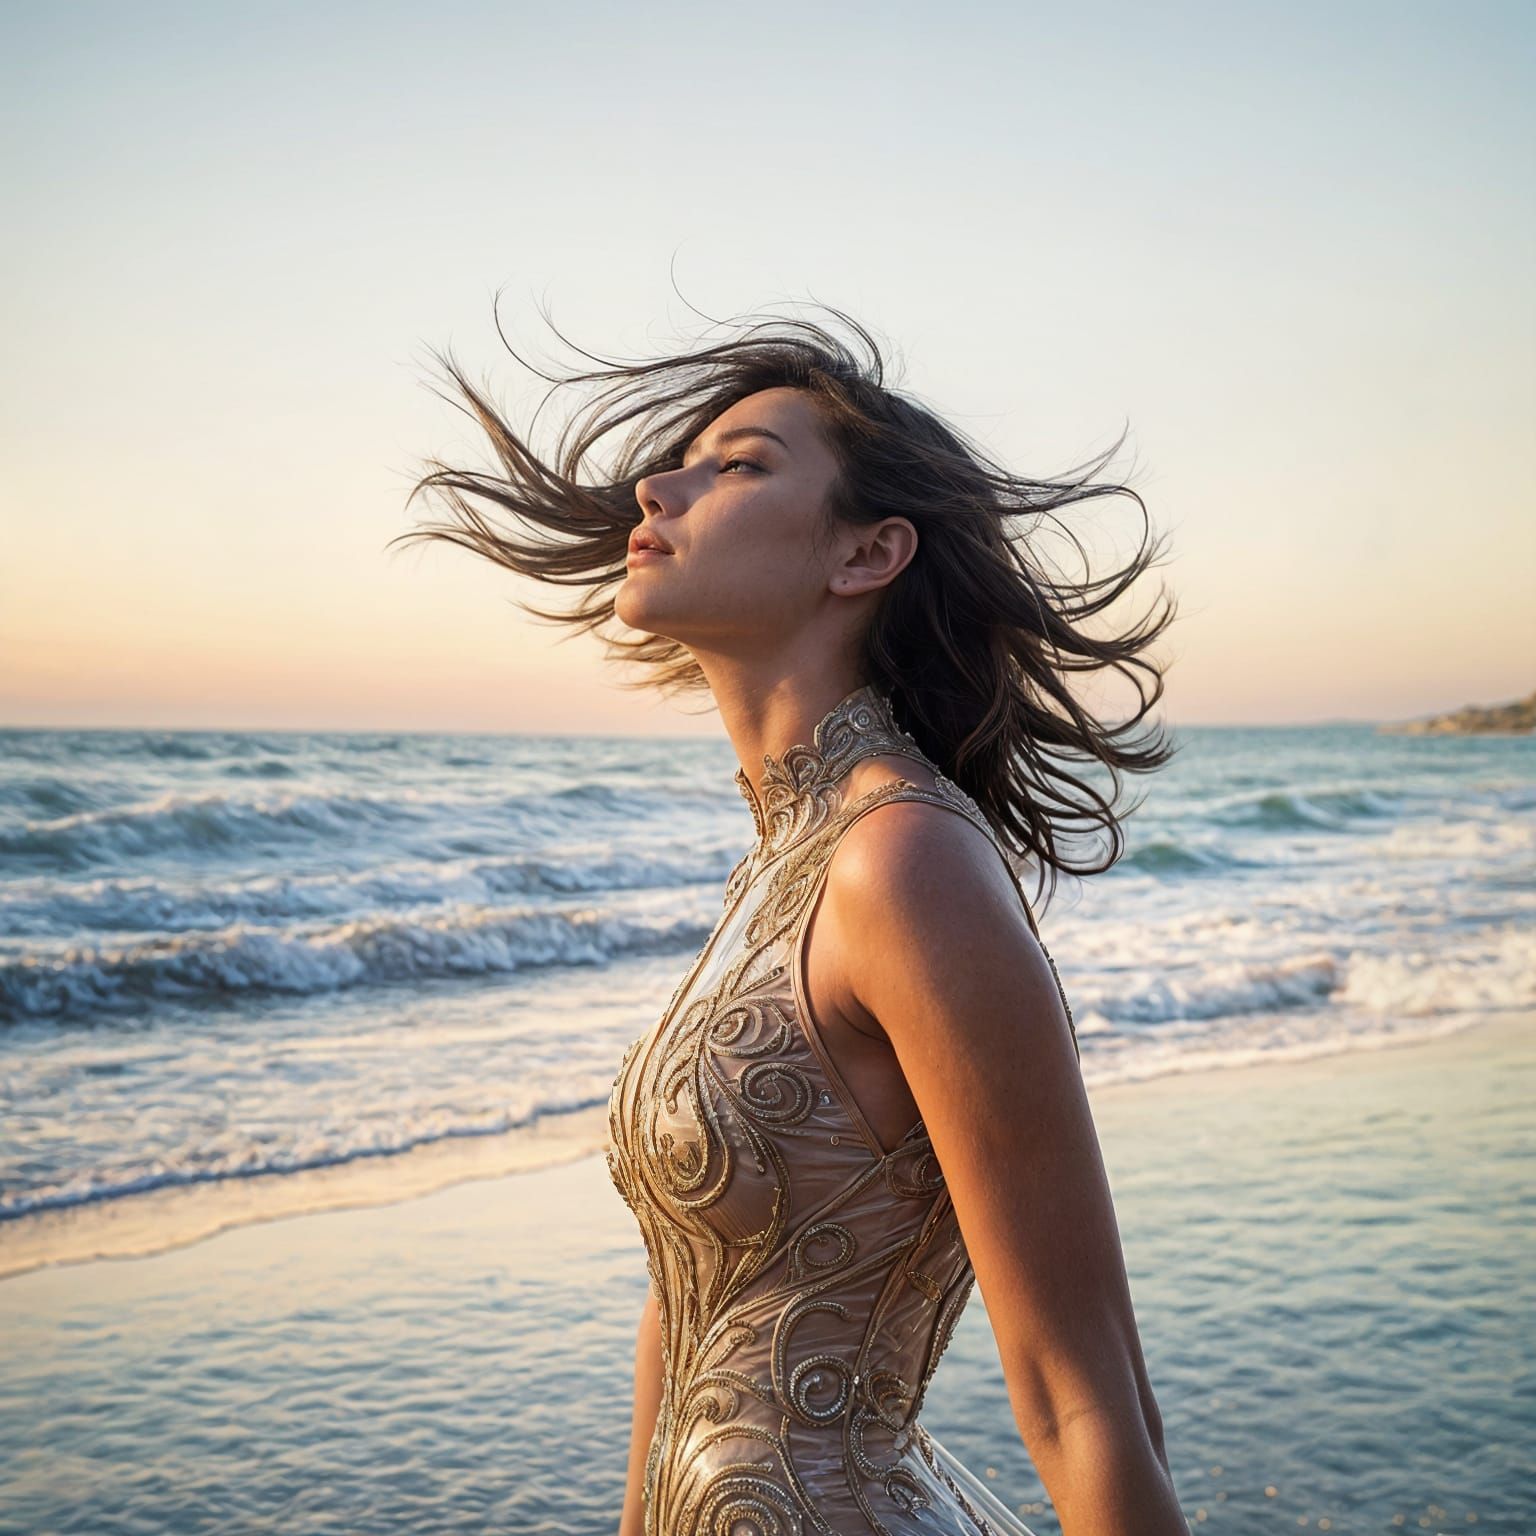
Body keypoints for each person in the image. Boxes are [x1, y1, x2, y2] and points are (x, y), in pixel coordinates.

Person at [397, 303, 1185, 1535]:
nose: (657, 487)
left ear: (865, 556)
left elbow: (1086, 1397)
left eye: (740, 465)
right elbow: (686, 1302)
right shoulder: (782, 869)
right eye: (686, 459)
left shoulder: (904, 864)